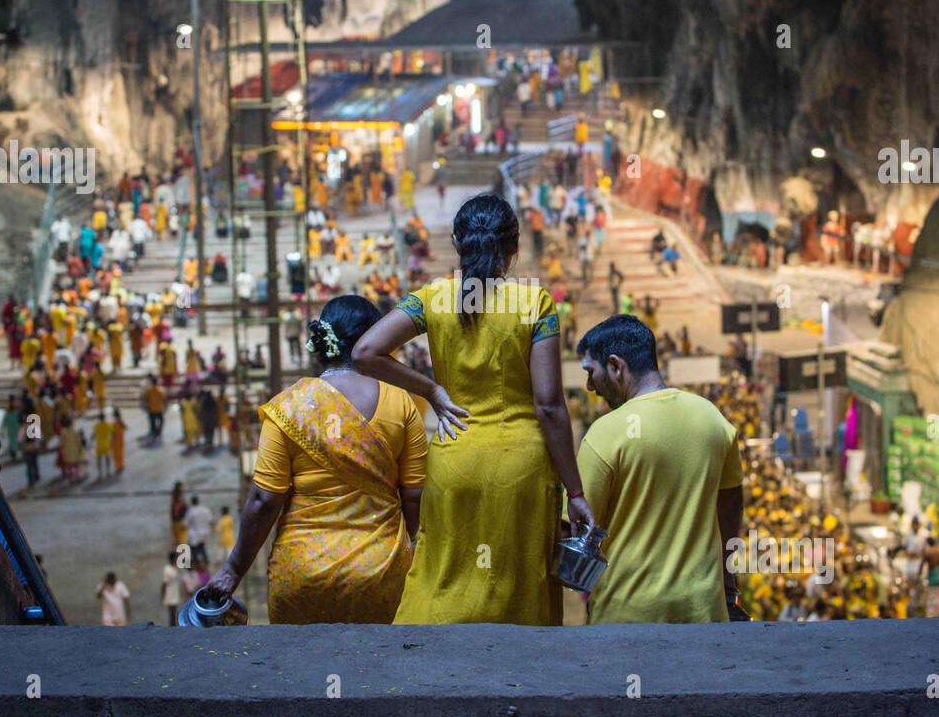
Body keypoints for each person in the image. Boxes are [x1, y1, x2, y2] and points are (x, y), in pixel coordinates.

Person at [352, 194, 594, 625]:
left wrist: (431, 390)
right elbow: (550, 406)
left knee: (443, 575)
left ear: (457, 244)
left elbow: (366, 351)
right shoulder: (534, 303)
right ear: (513, 247)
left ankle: (433, 673)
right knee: (521, 583)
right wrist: (575, 493)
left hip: (454, 460)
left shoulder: (433, 298)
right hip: (521, 469)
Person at [205, 296, 427, 623]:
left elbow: (264, 500)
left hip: (301, 575)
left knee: (300, 671)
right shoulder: (401, 404)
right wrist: (406, 551)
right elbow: (414, 494)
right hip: (380, 573)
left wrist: (233, 570)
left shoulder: (288, 407)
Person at [573, 316, 746, 623]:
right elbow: (730, 505)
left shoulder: (603, 434)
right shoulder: (713, 419)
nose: (589, 386)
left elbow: (575, 531)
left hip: (626, 617)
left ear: (615, 366)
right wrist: (728, 583)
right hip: (703, 612)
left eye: (591, 372)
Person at [184, 495, 213, 565]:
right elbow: (211, 521)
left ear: (192, 502)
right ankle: (206, 565)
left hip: (194, 535)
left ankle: (197, 566)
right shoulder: (205, 510)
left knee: (194, 553)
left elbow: (184, 524)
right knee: (202, 550)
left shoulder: (190, 511)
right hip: (204, 534)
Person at [161, 552, 182, 626]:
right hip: (170, 594)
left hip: (175, 593)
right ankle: (172, 628)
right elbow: (164, 583)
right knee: (172, 613)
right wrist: (162, 595)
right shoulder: (167, 569)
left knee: (174, 612)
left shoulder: (174, 568)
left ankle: (173, 626)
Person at [92, 412, 113, 479]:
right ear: (104, 418)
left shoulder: (96, 425)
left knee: (99, 459)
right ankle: (108, 471)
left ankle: (100, 473)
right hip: (106, 444)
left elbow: (94, 435)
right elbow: (112, 433)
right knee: (107, 458)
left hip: (99, 444)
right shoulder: (108, 425)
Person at [169, 482, 188, 546]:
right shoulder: (178, 497)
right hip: (179, 519)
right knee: (181, 538)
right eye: (181, 487)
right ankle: (180, 551)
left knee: (176, 538)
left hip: (176, 519)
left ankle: (178, 549)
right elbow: (184, 506)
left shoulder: (174, 498)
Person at [110, 408, 127, 473]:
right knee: (121, 454)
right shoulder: (121, 423)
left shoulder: (114, 424)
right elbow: (126, 428)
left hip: (115, 441)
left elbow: (112, 433)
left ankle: (118, 466)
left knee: (116, 455)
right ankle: (121, 465)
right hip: (121, 440)